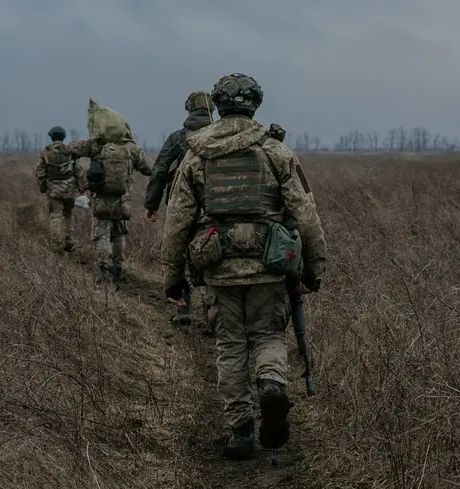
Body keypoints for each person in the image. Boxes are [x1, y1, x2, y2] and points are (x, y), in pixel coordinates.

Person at [159, 73, 327, 460]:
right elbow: (305, 212)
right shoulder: (275, 151)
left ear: (218, 106)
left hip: (218, 268)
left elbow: (177, 223)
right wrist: (312, 267)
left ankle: (240, 433)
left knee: (229, 346)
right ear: (255, 105)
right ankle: (271, 382)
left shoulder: (196, 154)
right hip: (270, 266)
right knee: (269, 336)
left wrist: (173, 278)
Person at [143, 90, 215, 327]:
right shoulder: (221, 135)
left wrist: (151, 205)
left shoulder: (177, 138)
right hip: (214, 206)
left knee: (178, 253)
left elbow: (160, 170)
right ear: (212, 110)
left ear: (189, 110)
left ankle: (183, 307)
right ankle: (213, 313)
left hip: (181, 205)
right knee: (211, 253)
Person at [67, 102, 153, 283]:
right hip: (122, 200)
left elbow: (70, 149)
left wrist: (79, 172)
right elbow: (149, 169)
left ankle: (105, 270)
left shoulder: (95, 146)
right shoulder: (131, 149)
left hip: (100, 199)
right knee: (119, 235)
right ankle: (119, 268)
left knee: (102, 235)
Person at [34, 125, 84, 254]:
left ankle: (56, 245)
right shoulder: (70, 151)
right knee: (68, 215)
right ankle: (69, 241)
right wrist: (82, 187)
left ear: (51, 137)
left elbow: (39, 171)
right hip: (69, 190)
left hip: (53, 190)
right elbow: (78, 170)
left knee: (55, 216)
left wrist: (43, 186)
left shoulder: (46, 152)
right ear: (63, 137)